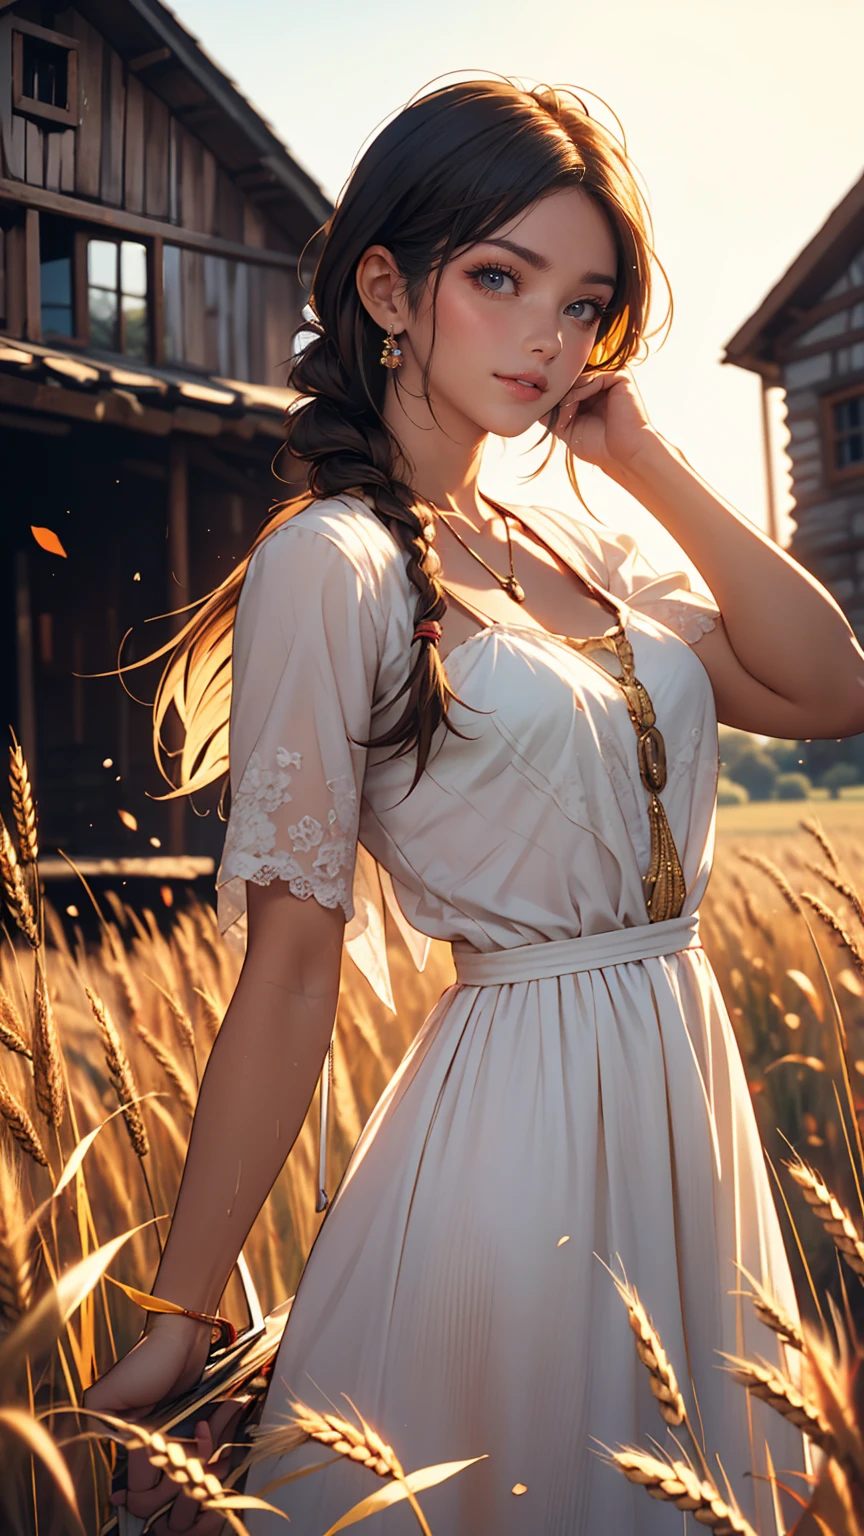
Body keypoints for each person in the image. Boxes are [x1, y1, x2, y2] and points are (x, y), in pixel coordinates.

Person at [84, 77, 864, 1535]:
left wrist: (642, 457)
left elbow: (829, 686)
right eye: (499, 278)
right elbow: (291, 964)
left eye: (582, 300)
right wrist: (182, 1315)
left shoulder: (570, 533)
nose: (545, 335)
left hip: (687, 1106)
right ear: (388, 286)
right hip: (519, 1135)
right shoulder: (338, 563)